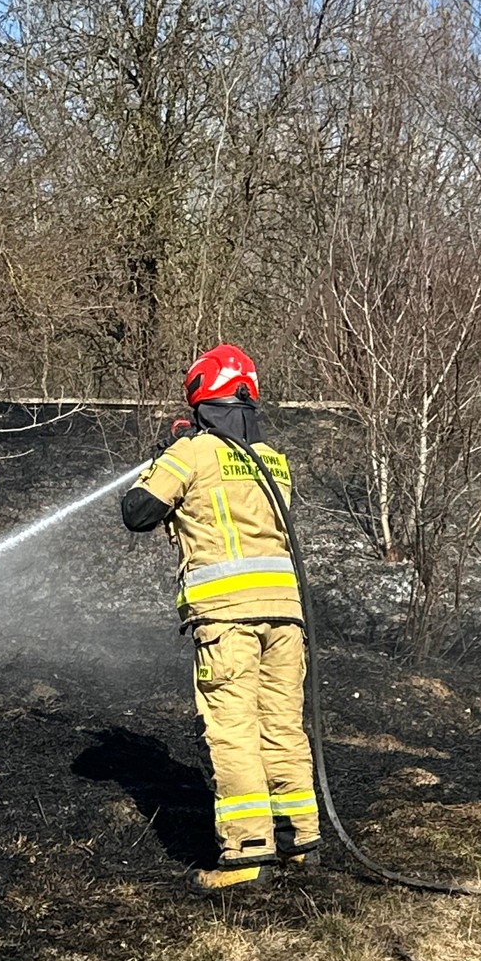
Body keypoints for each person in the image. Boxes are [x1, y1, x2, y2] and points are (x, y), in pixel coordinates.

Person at [120, 344, 321, 892]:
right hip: (285, 615)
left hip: (228, 619)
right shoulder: (275, 460)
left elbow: (137, 512)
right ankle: (299, 839)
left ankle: (247, 853)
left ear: (201, 398)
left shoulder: (192, 453)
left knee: (232, 730)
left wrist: (167, 456)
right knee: (281, 725)